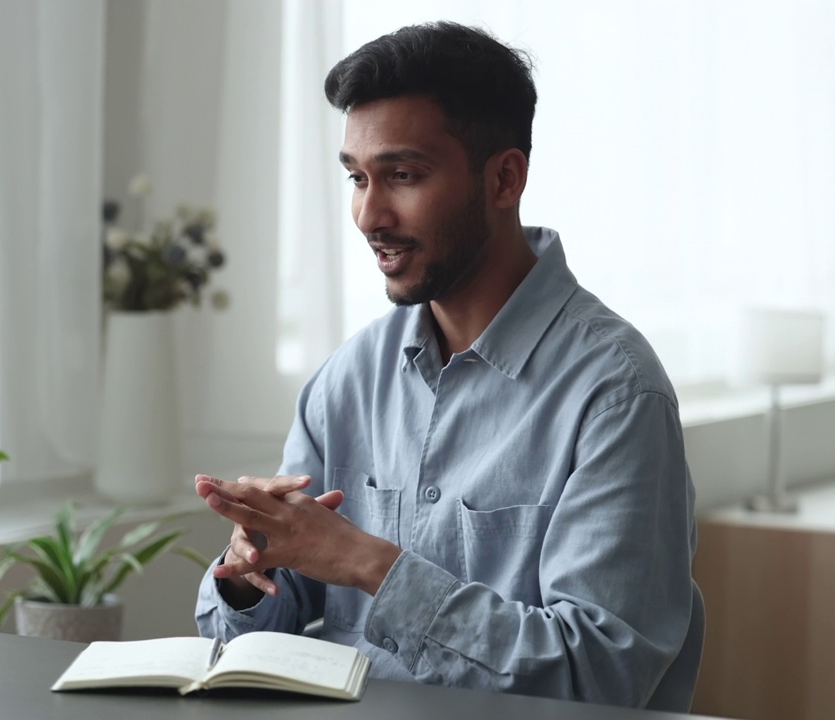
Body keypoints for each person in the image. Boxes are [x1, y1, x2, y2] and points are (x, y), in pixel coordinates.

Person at [193, 21, 703, 711]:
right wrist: (246, 570)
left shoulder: (615, 393)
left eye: (403, 175)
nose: (370, 214)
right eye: (356, 177)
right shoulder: (346, 382)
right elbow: (262, 635)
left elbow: (599, 680)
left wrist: (368, 564)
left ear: (504, 177)